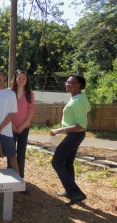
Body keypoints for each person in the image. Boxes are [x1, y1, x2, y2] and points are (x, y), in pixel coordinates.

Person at [50, 74, 91, 206]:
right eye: (67, 82)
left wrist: (60, 130)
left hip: (74, 135)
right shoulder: (79, 98)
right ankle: (70, 191)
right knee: (68, 163)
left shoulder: (77, 101)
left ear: (79, 85)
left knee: (56, 162)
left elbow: (81, 124)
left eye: (71, 82)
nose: (68, 84)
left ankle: (77, 193)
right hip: (75, 135)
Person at [10, 70, 35, 179]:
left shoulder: (30, 94)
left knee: (21, 153)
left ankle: (20, 177)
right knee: (11, 153)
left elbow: (31, 111)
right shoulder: (9, 92)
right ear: (15, 79)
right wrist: (11, 125)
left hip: (24, 127)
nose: (21, 80)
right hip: (10, 126)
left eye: (24, 78)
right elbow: (6, 110)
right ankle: (10, 175)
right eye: (19, 78)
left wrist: (23, 126)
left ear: (27, 80)